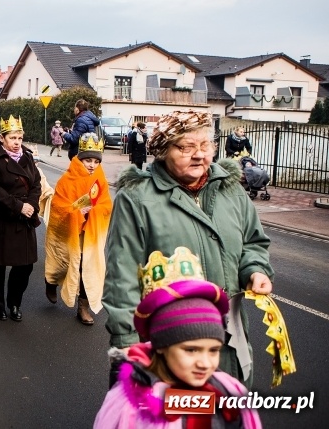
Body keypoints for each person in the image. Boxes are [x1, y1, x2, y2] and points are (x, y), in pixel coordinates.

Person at [103, 110, 274, 386]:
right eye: (186, 147)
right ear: (163, 150)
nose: (199, 155)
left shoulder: (230, 189)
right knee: (177, 416)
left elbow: (253, 242)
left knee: (226, 414)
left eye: (205, 145)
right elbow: (121, 276)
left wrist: (255, 270)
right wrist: (127, 342)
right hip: (170, 346)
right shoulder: (137, 198)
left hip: (228, 340)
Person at [95, 248, 262, 428]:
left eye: (213, 350)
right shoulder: (131, 406)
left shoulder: (228, 393)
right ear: (160, 345)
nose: (205, 363)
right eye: (191, 350)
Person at [44, 132, 112, 325]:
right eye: (88, 160)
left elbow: (107, 205)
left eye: (96, 161)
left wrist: (95, 211)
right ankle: (50, 281)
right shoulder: (66, 180)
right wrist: (76, 211)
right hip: (68, 232)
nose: (92, 165)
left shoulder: (100, 179)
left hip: (88, 233)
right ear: (80, 159)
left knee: (85, 266)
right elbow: (58, 206)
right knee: (63, 262)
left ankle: (83, 307)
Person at [0, 115, 41, 322]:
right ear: (2, 138)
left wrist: (31, 205)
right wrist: (19, 206)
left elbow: (36, 184)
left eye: (19, 138)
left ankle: (14, 303)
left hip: (23, 221)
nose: (16, 143)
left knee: (25, 265)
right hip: (0, 218)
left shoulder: (28, 157)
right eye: (12, 138)